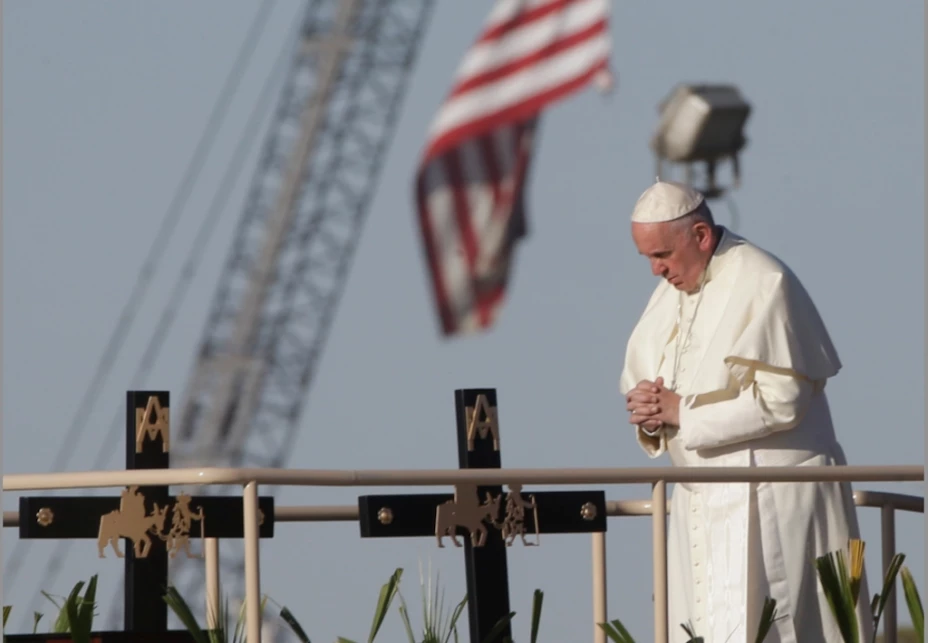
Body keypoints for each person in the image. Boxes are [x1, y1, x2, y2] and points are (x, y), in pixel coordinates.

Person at [618, 180, 873, 643]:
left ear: (700, 235)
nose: (656, 270)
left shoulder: (764, 280)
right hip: (698, 502)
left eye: (662, 255)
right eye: (647, 258)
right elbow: (663, 390)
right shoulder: (670, 292)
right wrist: (650, 412)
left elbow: (783, 401)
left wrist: (683, 413)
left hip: (771, 497)